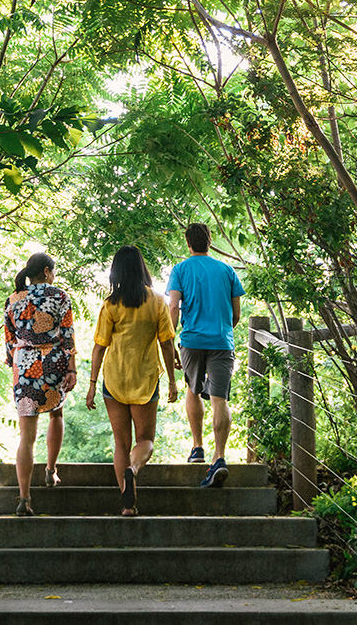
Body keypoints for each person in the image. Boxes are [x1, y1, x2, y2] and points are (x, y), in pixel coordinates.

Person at [85, 246, 179, 516]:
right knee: (145, 440)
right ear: (142, 268)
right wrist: (172, 381)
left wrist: (92, 384)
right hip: (145, 380)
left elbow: (99, 347)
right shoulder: (157, 301)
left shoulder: (110, 304)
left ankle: (129, 506)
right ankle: (133, 469)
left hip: (113, 380)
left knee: (120, 444)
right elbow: (167, 343)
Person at [165, 221, 244, 489]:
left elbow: (173, 306)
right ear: (209, 241)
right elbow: (236, 315)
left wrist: (170, 338)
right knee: (220, 400)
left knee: (192, 389)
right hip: (222, 340)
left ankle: (197, 447)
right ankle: (219, 457)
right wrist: (221, 331)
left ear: (188, 243)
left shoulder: (180, 270)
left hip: (192, 340)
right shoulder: (227, 270)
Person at [3, 251, 77, 517]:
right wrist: (72, 369)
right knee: (56, 414)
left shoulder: (13, 300)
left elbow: (10, 342)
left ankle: (24, 498)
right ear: (47, 271)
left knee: (26, 435)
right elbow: (67, 335)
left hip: (23, 364)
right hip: (53, 361)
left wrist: (19, 364)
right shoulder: (60, 296)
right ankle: (50, 471)